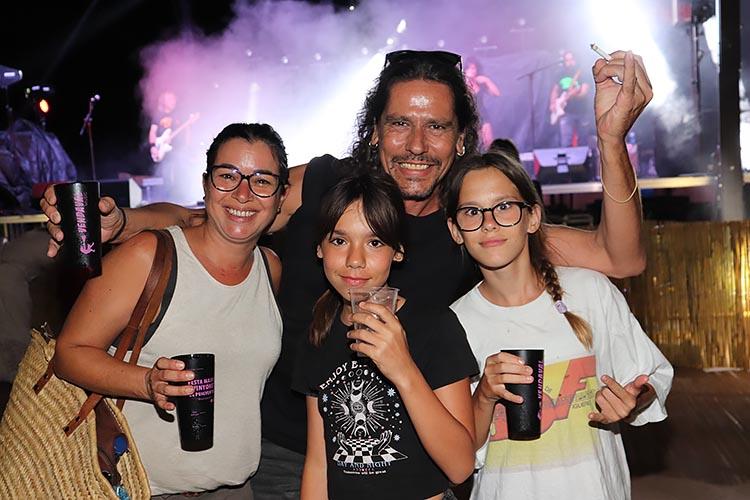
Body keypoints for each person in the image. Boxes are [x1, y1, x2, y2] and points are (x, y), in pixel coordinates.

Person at [43, 49, 652, 498]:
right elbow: (221, 211)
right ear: (375, 130)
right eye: (399, 123)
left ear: (461, 137)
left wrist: (611, 137)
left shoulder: (472, 219)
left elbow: (621, 257)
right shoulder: (326, 185)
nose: (417, 144)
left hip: (415, 469)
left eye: (437, 126)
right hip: (289, 458)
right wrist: (122, 221)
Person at [53, 122, 289, 497]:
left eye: (261, 180)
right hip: (147, 489)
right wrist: (146, 382)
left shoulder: (270, 268)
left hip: (236, 488)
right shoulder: (148, 256)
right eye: (227, 176)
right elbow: (68, 353)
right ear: (206, 184)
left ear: (280, 197)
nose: (243, 193)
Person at [443, 152, 673, 500]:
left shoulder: (590, 291)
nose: (489, 223)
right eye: (472, 212)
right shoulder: (453, 324)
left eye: (504, 207)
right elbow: (457, 456)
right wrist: (484, 395)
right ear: (455, 230)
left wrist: (634, 400)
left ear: (533, 217)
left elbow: (652, 375)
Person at [293, 172, 476, 499]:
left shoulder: (435, 326)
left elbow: (461, 467)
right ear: (320, 248)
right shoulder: (319, 332)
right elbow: (319, 464)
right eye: (339, 241)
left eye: (374, 242)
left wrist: (403, 368)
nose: (355, 260)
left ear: (398, 250)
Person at [549, 50, 591, 147]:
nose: (569, 62)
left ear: (576, 60)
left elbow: (584, 92)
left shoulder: (583, 74)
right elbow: (555, 90)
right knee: (565, 142)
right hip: (566, 112)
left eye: (571, 59)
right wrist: (552, 103)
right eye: (567, 60)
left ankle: (583, 157)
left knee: (583, 142)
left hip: (582, 112)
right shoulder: (559, 74)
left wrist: (572, 95)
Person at [464, 57, 500, 151]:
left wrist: (487, 80)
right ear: (465, 70)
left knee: (488, 143)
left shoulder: (480, 82)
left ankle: (489, 160)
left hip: (483, 115)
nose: (472, 71)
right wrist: (467, 80)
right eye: (469, 68)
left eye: (474, 68)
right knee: (472, 145)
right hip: (469, 117)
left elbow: (496, 93)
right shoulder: (462, 85)